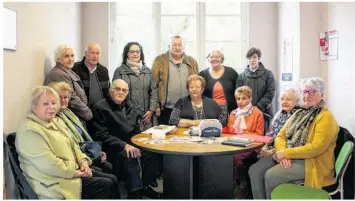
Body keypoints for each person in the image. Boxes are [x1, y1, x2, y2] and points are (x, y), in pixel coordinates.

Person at [15, 86, 114, 199]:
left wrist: (84, 162)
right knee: (107, 185)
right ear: (34, 106)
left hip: (70, 172)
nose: (51, 107)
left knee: (112, 179)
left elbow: (74, 145)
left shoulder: (55, 121)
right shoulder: (29, 131)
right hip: (53, 182)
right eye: (45, 104)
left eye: (53, 103)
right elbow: (50, 165)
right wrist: (77, 172)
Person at [248, 77, 339, 199]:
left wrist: (287, 154)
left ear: (321, 95)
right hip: (291, 154)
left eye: (312, 92)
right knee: (255, 171)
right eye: (305, 92)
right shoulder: (299, 113)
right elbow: (281, 136)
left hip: (313, 163)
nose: (307, 95)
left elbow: (316, 148)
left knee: (271, 175)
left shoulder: (326, 117)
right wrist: (283, 154)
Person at [91, 79, 161, 199]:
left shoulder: (131, 106)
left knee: (153, 152)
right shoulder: (100, 107)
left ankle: (145, 186)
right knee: (130, 156)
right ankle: (135, 193)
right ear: (110, 90)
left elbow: (136, 130)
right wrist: (125, 145)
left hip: (130, 143)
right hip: (111, 147)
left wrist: (142, 143)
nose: (121, 92)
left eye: (124, 90)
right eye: (117, 89)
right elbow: (101, 135)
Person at [48, 81, 120, 198]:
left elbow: (82, 139)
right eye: (59, 97)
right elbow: (70, 147)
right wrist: (91, 158)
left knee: (110, 170)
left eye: (66, 97)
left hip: (84, 155)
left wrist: (96, 152)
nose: (63, 100)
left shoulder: (68, 113)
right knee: (109, 180)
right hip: (76, 164)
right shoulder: (54, 119)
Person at [224, 86, 264, 199]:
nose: (240, 102)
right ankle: (229, 185)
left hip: (251, 146)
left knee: (235, 158)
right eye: (238, 98)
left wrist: (244, 134)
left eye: (244, 98)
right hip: (234, 143)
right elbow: (230, 132)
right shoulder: (233, 113)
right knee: (223, 157)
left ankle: (241, 184)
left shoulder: (257, 113)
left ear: (250, 98)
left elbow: (259, 136)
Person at [152, 35, 199, 125]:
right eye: (174, 45)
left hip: (187, 107)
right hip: (167, 108)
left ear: (183, 47)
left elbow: (198, 83)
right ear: (169, 46)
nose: (177, 47)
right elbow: (153, 85)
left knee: (186, 136)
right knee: (167, 135)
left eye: (179, 45)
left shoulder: (192, 61)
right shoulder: (159, 60)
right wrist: (156, 105)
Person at [112, 42, 158, 130]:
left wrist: (151, 110)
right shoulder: (119, 71)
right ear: (127, 54)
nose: (135, 54)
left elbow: (154, 92)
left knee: (144, 142)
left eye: (137, 52)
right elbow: (115, 94)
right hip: (126, 116)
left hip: (146, 116)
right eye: (132, 52)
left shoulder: (148, 71)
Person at [45, 44, 92, 122]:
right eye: (66, 56)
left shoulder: (68, 71)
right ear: (58, 59)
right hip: (68, 118)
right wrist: (88, 114)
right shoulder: (58, 74)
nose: (71, 59)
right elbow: (71, 99)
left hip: (76, 116)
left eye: (72, 56)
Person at [258, 88, 300, 158]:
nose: (284, 102)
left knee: (255, 167)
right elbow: (269, 133)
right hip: (271, 148)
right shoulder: (280, 113)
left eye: (288, 99)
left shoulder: (299, 116)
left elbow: (293, 143)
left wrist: (272, 152)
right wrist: (265, 147)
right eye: (282, 99)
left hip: (284, 153)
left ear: (296, 101)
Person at [199, 50, 238, 124]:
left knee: (226, 133)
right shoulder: (202, 74)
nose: (214, 59)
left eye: (217, 57)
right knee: (210, 130)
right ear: (208, 59)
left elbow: (239, 91)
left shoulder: (231, 72)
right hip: (209, 110)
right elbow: (199, 93)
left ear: (222, 59)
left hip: (229, 111)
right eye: (211, 57)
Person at [236, 47, 276, 116]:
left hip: (264, 112)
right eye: (249, 58)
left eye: (254, 57)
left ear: (259, 58)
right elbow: (239, 95)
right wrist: (248, 108)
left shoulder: (268, 74)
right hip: (246, 112)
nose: (252, 60)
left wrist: (258, 107)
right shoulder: (241, 76)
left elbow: (270, 92)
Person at [72, 42, 110, 109]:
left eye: (97, 53)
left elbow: (108, 92)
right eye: (92, 53)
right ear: (86, 54)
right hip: (83, 110)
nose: (95, 56)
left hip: (101, 111)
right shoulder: (75, 68)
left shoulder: (104, 71)